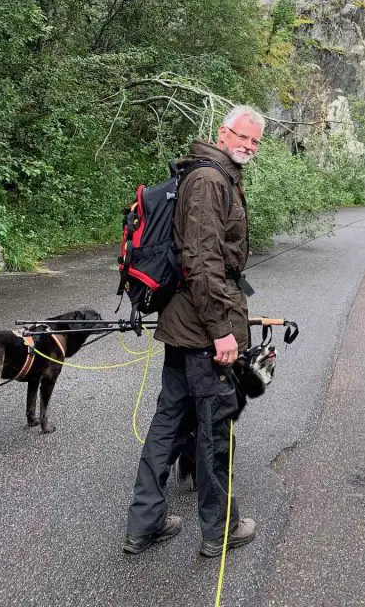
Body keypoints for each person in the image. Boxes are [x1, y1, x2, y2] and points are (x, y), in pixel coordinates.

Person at [123, 105, 265, 558]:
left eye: (256, 141)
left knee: (169, 423)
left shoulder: (213, 175)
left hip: (186, 326)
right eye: (243, 136)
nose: (249, 146)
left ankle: (144, 524)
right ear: (224, 132)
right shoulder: (208, 181)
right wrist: (222, 331)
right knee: (214, 429)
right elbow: (201, 263)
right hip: (203, 331)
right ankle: (220, 530)